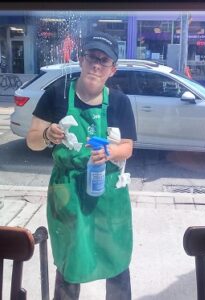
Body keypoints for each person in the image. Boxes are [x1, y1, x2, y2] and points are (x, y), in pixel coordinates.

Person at [26, 31, 137, 300]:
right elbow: (32, 139)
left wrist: (109, 150)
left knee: (116, 258)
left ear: (113, 70)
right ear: (81, 59)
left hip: (108, 194)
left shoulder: (120, 102)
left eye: (104, 60)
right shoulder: (57, 95)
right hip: (69, 195)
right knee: (70, 261)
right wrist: (46, 135)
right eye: (91, 57)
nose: (96, 64)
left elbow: (128, 147)